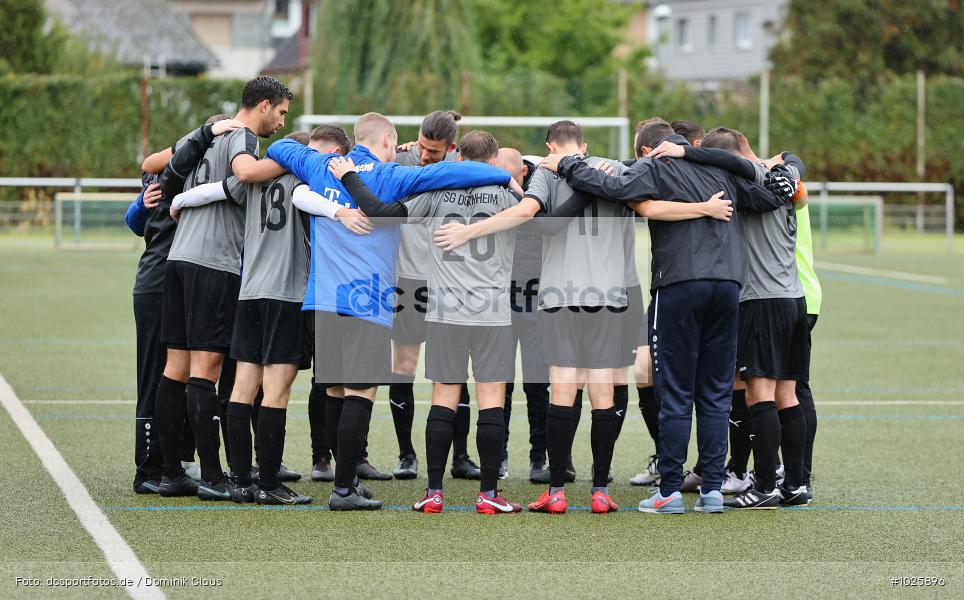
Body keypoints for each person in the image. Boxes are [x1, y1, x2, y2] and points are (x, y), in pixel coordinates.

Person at [435, 121, 733, 513]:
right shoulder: (617, 169)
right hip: (610, 295)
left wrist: (468, 233)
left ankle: (556, 491)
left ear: (549, 146)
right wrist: (706, 208)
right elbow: (651, 208)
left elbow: (525, 213)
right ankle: (599, 491)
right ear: (585, 145)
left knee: (563, 390)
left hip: (560, 295)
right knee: (603, 393)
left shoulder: (546, 172)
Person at [265, 112, 517, 511]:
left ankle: (339, 473)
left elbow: (278, 146)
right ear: (387, 139)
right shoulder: (389, 176)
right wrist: (505, 176)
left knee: (333, 388)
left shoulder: (320, 165)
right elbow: (448, 176)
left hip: (322, 297)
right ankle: (344, 488)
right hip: (367, 299)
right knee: (360, 391)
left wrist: (325, 169)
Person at [541, 120, 790, 514]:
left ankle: (670, 490)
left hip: (678, 286)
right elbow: (767, 196)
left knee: (674, 391)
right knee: (715, 393)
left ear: (645, 151)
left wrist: (567, 164)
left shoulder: (656, 165)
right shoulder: (722, 167)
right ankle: (711, 490)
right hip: (727, 287)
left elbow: (614, 188)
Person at [327, 130, 524, 514]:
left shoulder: (435, 193)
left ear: (457, 157)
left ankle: (434, 493)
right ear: (495, 159)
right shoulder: (508, 196)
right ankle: (488, 496)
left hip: (444, 311)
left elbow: (381, 213)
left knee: (443, 399)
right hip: (493, 311)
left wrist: (348, 177)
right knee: (490, 401)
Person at [153, 76, 292, 501]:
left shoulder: (204, 136)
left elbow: (155, 163)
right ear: (264, 105)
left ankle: (171, 472)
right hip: (213, 263)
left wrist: (181, 200)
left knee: (174, 368)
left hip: (178, 259)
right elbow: (241, 178)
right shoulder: (242, 137)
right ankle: (214, 477)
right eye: (282, 113)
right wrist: (293, 160)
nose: (282, 123)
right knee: (205, 372)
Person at [391, 110, 481, 481]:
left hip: (451, 284)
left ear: (452, 149)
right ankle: (406, 455)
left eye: (434, 151)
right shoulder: (398, 159)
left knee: (453, 372)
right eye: (423, 148)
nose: (425, 156)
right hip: (408, 282)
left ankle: (461, 456)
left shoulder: (463, 171)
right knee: (404, 367)